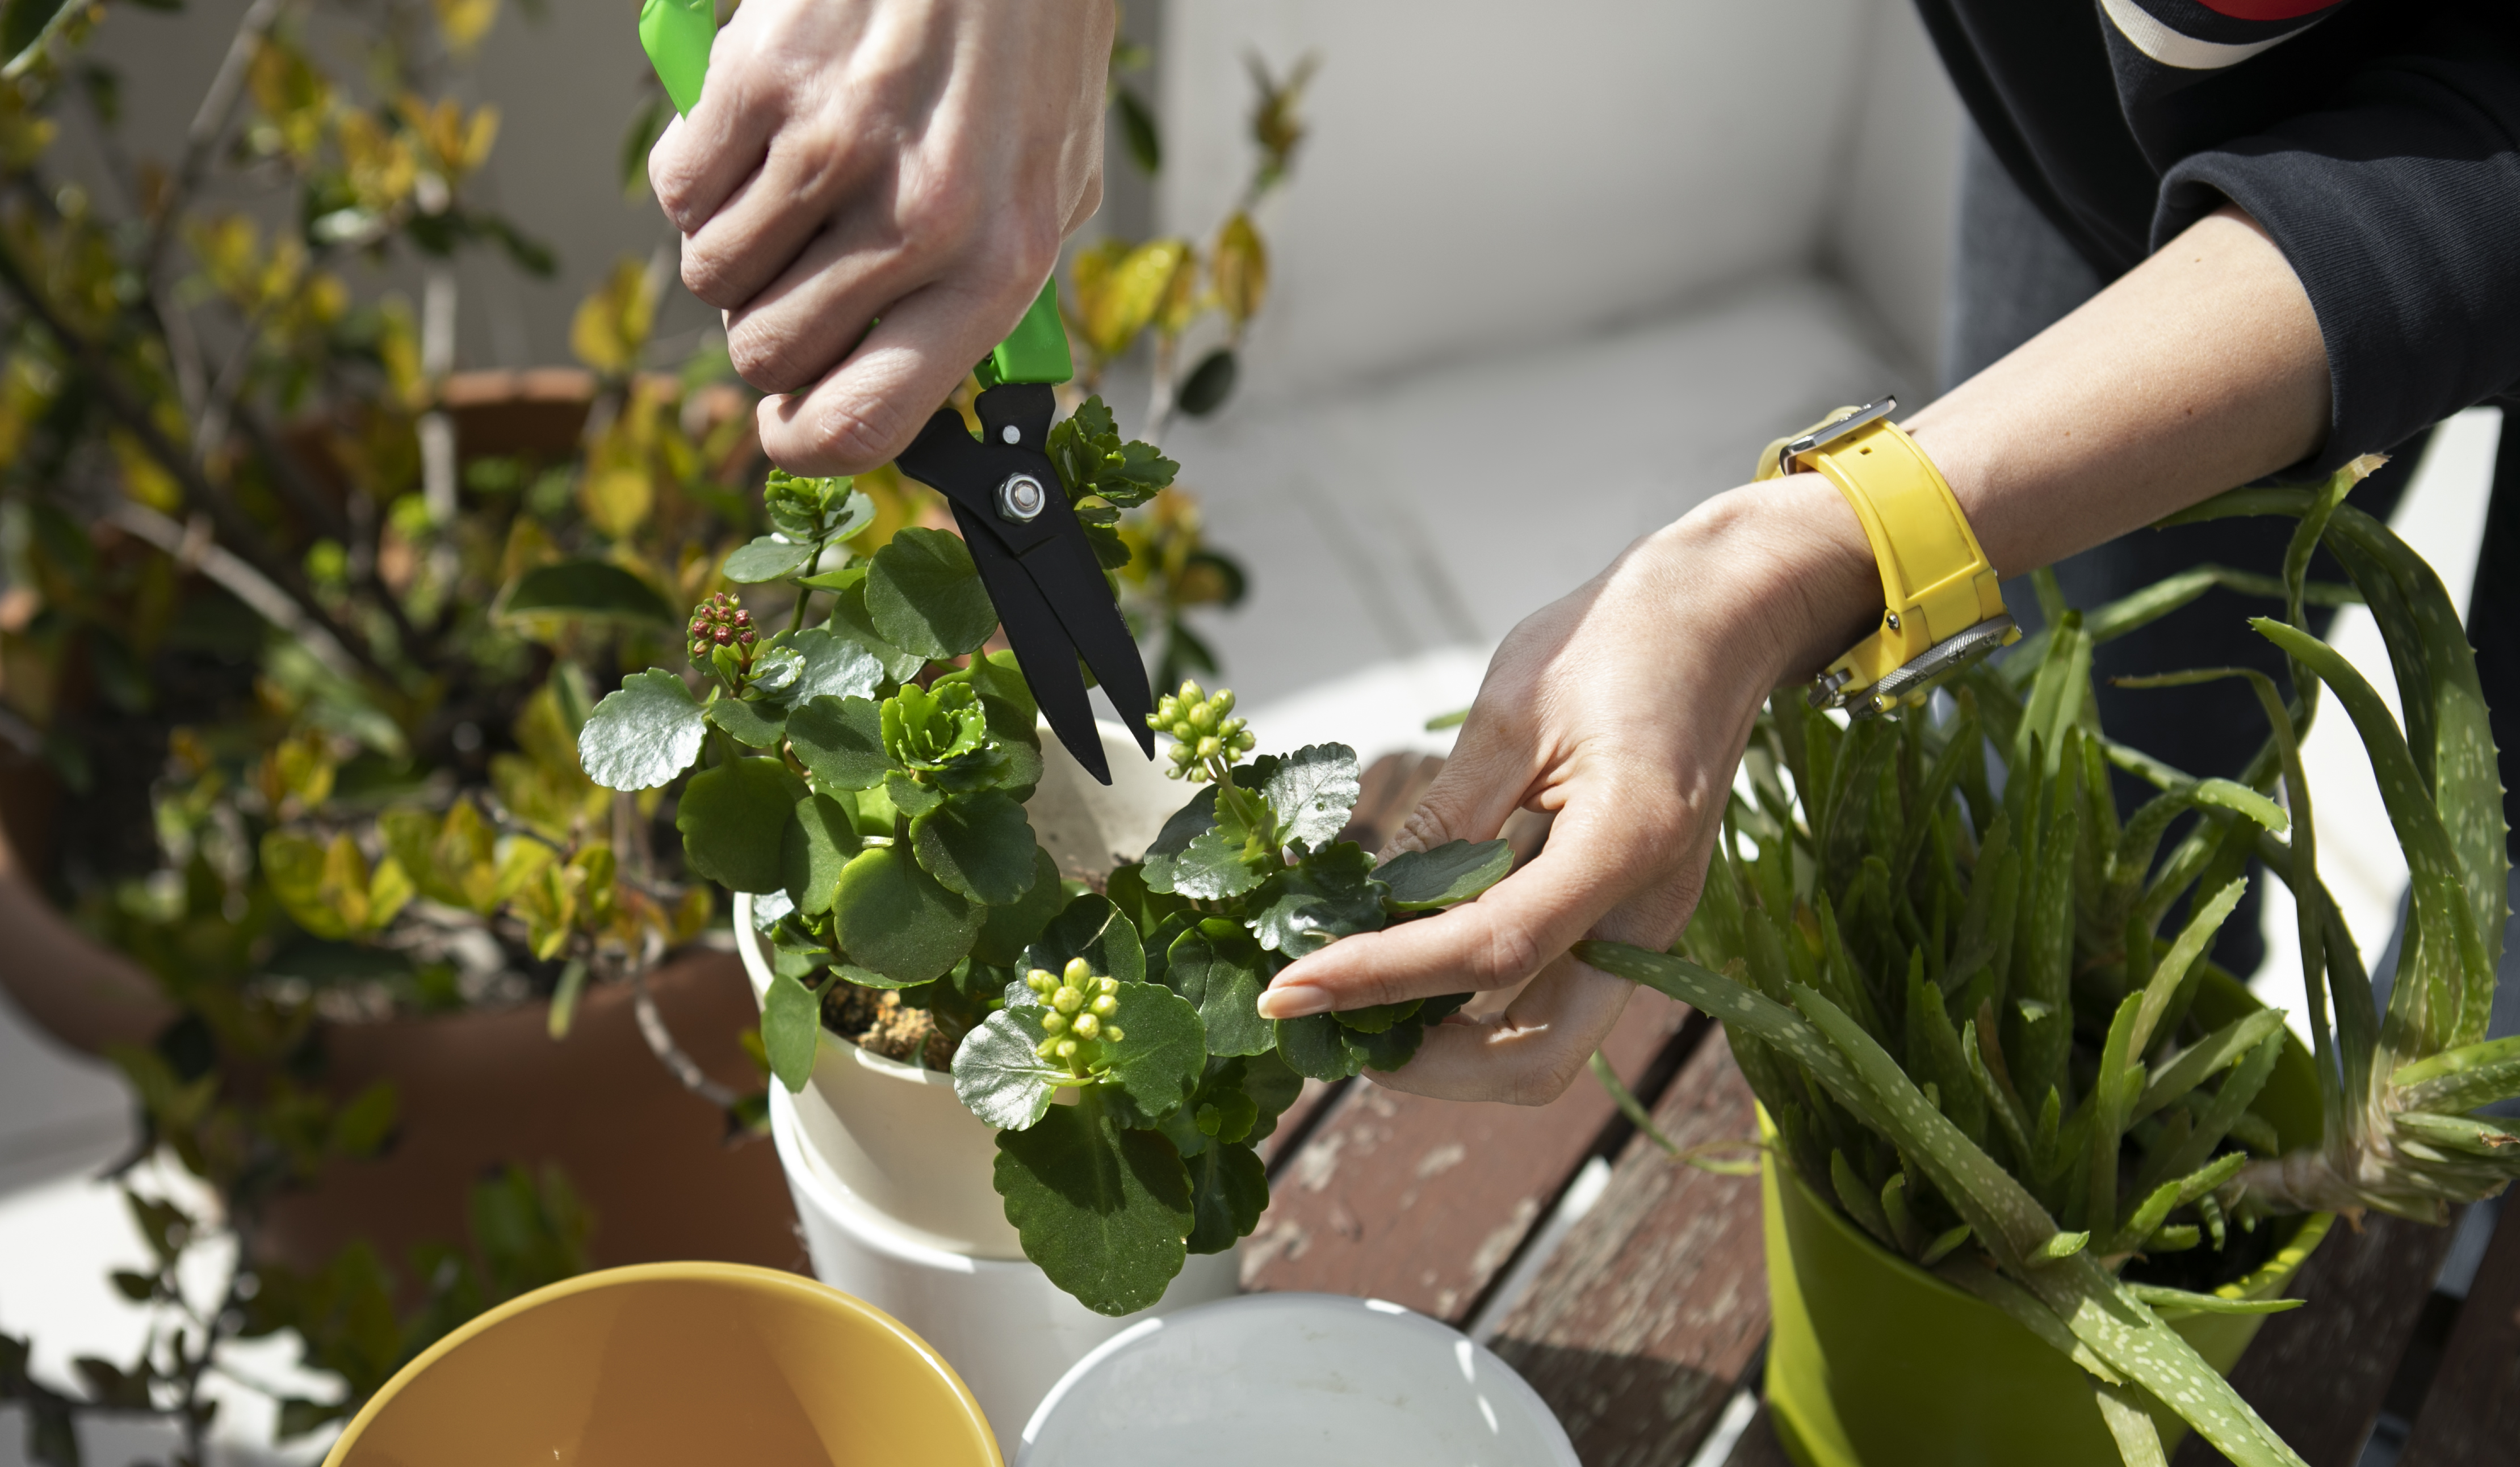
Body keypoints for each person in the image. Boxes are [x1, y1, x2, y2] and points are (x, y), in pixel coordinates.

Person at [648, 0, 2520, 1105]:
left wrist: (1789, 557)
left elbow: (2470, 176)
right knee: (2084, 851)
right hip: (2093, 108)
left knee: (2493, 1029)